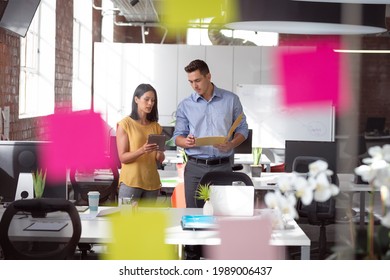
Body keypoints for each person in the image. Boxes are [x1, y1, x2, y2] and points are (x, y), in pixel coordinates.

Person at [173, 59, 249, 259]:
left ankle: (219, 261)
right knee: (194, 219)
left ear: (208, 76)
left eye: (197, 80)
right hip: (195, 168)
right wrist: (186, 141)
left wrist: (231, 144)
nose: (194, 85)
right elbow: (177, 137)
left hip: (222, 168)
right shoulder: (185, 105)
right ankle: (193, 260)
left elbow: (242, 129)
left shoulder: (231, 100)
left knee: (221, 217)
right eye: (190, 82)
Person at [116, 83, 165, 206]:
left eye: (153, 100)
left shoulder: (156, 126)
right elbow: (122, 158)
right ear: (136, 99)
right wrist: (142, 150)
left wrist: (160, 153)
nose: (150, 103)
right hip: (131, 182)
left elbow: (159, 159)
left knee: (146, 224)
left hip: (151, 183)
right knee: (126, 222)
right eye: (146, 99)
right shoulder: (125, 124)